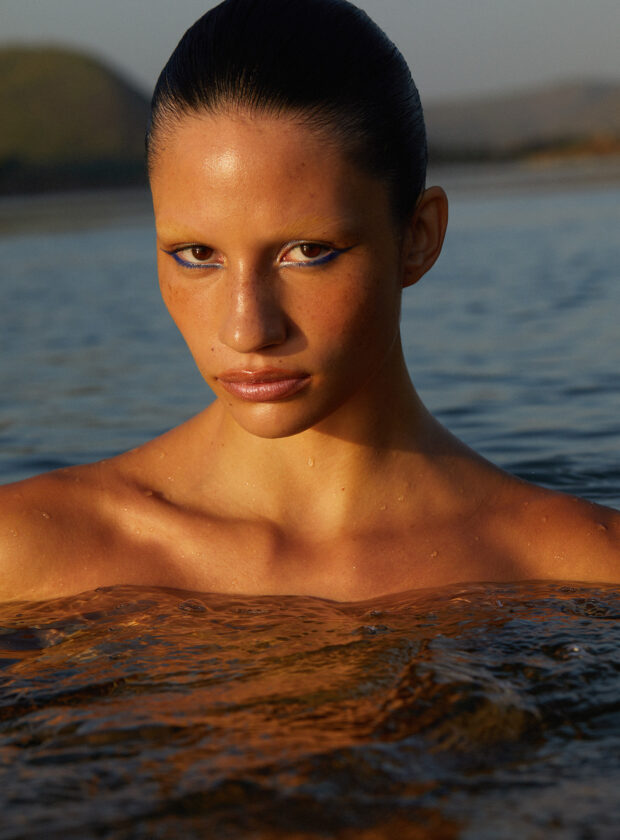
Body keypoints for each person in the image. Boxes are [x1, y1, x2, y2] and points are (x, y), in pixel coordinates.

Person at [0, 0, 618, 602]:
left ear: (419, 238)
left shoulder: (585, 570)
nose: (246, 329)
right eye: (197, 254)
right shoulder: (26, 553)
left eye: (307, 251)